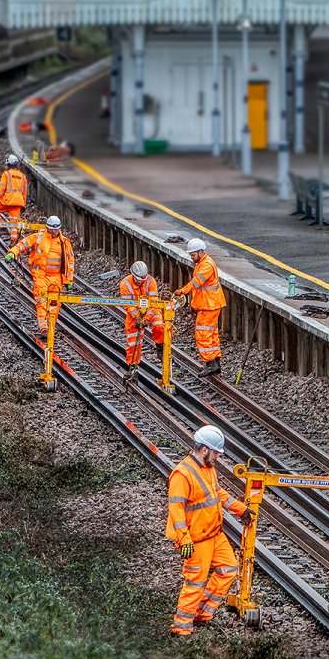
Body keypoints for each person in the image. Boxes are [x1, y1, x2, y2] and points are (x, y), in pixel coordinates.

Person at [165, 425, 250, 636]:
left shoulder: (208, 469)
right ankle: (181, 628)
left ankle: (201, 613)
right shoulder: (182, 475)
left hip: (214, 533)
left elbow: (217, 493)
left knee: (229, 569)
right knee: (196, 582)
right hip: (195, 539)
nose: (218, 458)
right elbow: (176, 511)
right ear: (204, 450)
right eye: (216, 453)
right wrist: (185, 541)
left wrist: (240, 510)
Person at [5, 215, 76, 335]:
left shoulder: (64, 243)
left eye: (57, 229)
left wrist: (69, 280)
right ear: (47, 228)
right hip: (41, 276)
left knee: (55, 303)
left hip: (57, 278)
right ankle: (43, 327)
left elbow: (70, 262)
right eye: (52, 229)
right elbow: (23, 244)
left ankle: (51, 326)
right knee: (42, 301)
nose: (54, 231)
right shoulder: (38, 238)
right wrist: (12, 252)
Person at [176, 238, 226, 377]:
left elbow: (197, 282)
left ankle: (210, 363)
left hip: (209, 304)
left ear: (200, 252)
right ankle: (215, 361)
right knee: (212, 333)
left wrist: (183, 291)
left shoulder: (206, 265)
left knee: (202, 334)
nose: (191, 257)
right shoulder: (203, 262)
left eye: (193, 255)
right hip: (210, 304)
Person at [120, 260, 163, 382]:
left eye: (142, 279)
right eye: (138, 279)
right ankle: (132, 366)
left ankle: (160, 346)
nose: (140, 281)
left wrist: (146, 319)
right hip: (135, 314)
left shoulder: (150, 281)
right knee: (133, 341)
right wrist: (138, 318)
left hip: (151, 311)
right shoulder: (125, 284)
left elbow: (153, 303)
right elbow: (127, 305)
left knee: (159, 326)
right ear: (133, 275)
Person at [0, 154, 29, 242]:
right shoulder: (23, 176)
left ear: (8, 164)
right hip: (17, 203)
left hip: (7, 201)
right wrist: (23, 203)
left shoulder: (6, 174)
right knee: (14, 224)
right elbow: (24, 192)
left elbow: (1, 190)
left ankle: (2, 227)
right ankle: (14, 242)